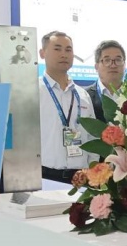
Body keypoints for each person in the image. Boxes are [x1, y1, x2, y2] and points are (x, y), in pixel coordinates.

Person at [38, 31, 97, 184]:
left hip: (80, 177)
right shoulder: (33, 90)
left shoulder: (82, 95)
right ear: (42, 53)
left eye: (68, 50)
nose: (64, 54)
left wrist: (92, 169)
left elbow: (92, 136)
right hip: (45, 176)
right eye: (57, 49)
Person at [85, 40, 126, 123]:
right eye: (107, 60)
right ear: (96, 66)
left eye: (118, 60)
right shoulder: (84, 96)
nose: (113, 65)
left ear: (124, 65)